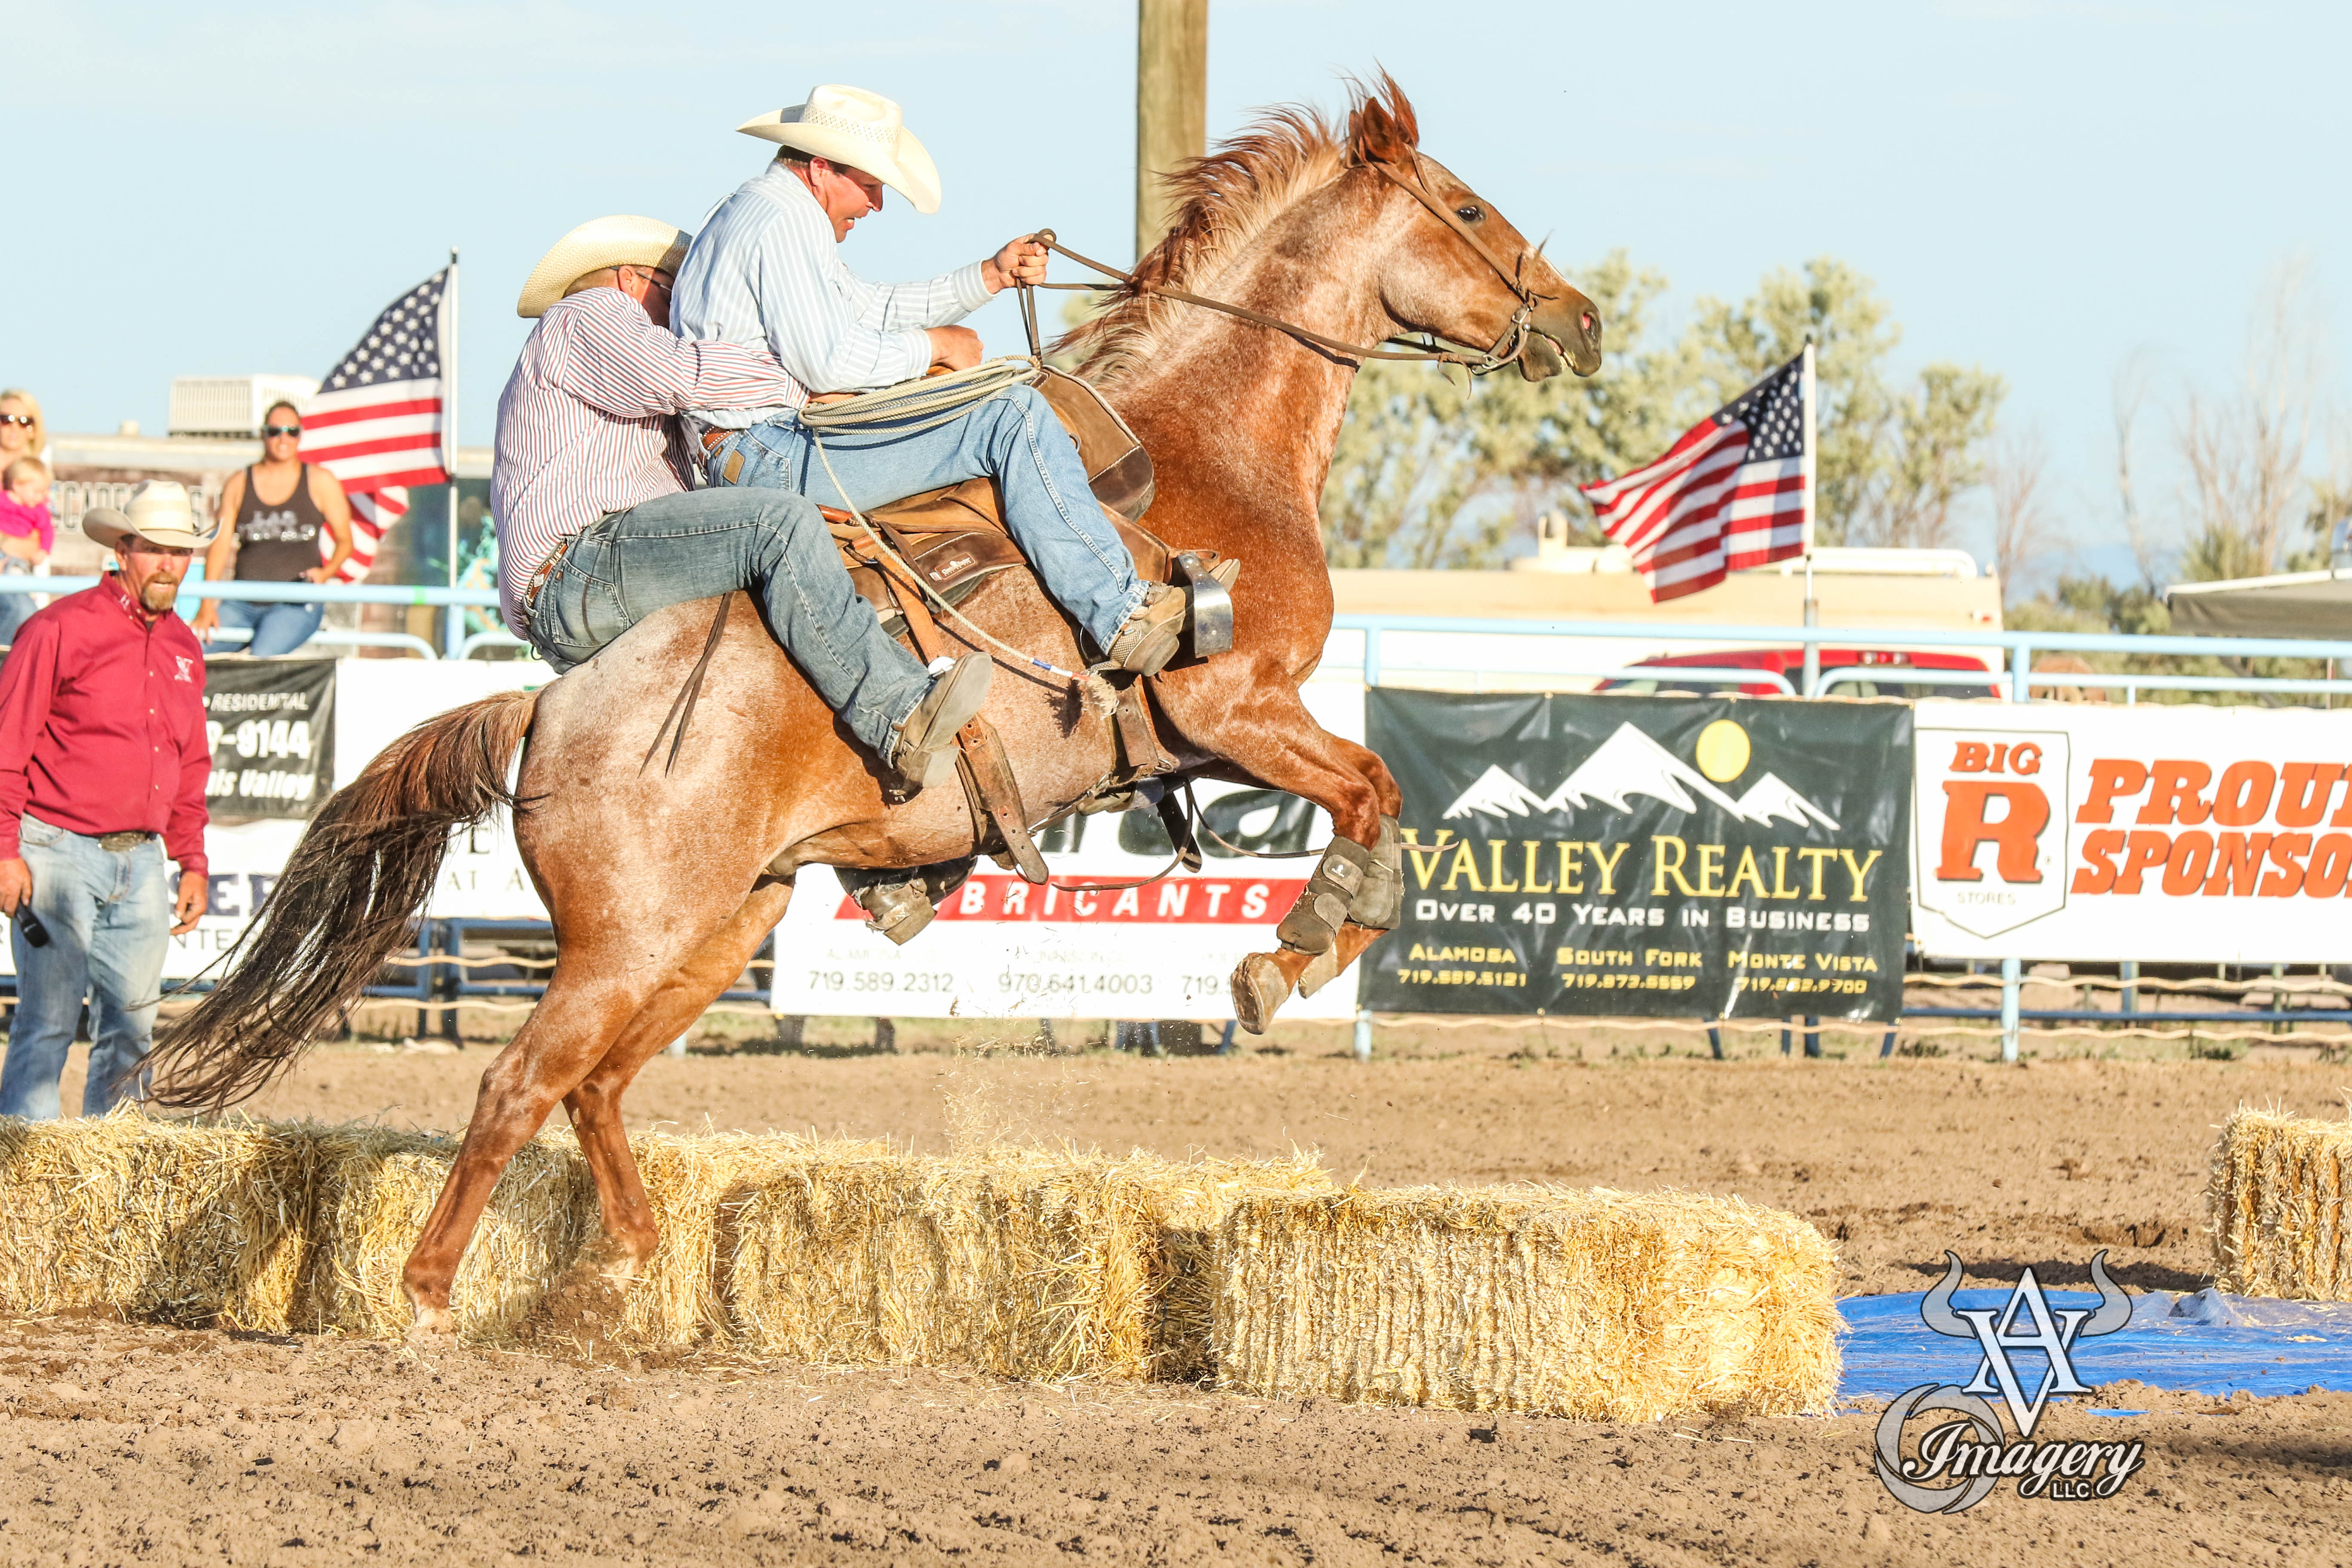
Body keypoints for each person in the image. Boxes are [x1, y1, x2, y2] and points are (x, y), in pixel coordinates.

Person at [671, 83, 1206, 677]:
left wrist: (988, 277)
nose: (876, 205)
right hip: (773, 452)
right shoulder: (781, 220)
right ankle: (1120, 613)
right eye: (871, 185)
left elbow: (864, 306)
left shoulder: (772, 211)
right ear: (822, 169)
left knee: (1001, 409)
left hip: (763, 445)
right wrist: (937, 346)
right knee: (1014, 416)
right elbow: (828, 360)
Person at [493, 214, 990, 791]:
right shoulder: (589, 314)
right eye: (672, 290)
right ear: (632, 280)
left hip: (585, 583)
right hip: (583, 569)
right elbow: (681, 375)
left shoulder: (592, 358)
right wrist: (807, 379)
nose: (683, 313)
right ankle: (898, 709)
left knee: (789, 598)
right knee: (779, 525)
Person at [0, 482, 211, 1119]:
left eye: (180, 552)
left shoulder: (184, 648)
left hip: (143, 860)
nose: (169, 564)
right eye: (155, 549)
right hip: (56, 848)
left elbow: (190, 760)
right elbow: (9, 744)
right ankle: (22, 1177)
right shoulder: (57, 629)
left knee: (133, 1027)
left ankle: (107, 1176)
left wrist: (192, 858)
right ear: (123, 549)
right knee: (47, 1021)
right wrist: (5, 850)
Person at [190, 401, 354, 656]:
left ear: (301, 435)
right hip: (241, 603)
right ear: (263, 434)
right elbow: (220, 545)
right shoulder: (239, 483)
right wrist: (206, 605)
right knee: (188, 652)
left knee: (262, 658)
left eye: (292, 431)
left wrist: (325, 573)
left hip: (295, 604)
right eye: (275, 431)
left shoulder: (321, 481)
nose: (283, 439)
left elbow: (346, 542)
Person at [0, 456, 53, 645]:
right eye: (37, 491)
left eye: (44, 492)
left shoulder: (38, 511)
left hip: (17, 561)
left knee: (19, 605)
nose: (42, 497)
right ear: (18, 486)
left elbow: (47, 531)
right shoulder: (3, 501)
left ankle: (5, 647)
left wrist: (43, 551)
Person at [0, 389, 47, 473]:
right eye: (6, 419)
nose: (14, 427)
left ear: (34, 429)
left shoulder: (39, 479)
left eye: (24, 421)